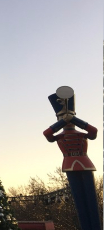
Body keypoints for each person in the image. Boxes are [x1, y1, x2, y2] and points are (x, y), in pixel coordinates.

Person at [43, 89, 100, 230]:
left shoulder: (81, 134)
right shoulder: (60, 136)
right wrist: (63, 121)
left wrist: (74, 119)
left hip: (85, 164)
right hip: (69, 164)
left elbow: (93, 132)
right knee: (78, 200)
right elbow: (47, 134)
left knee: (91, 200)